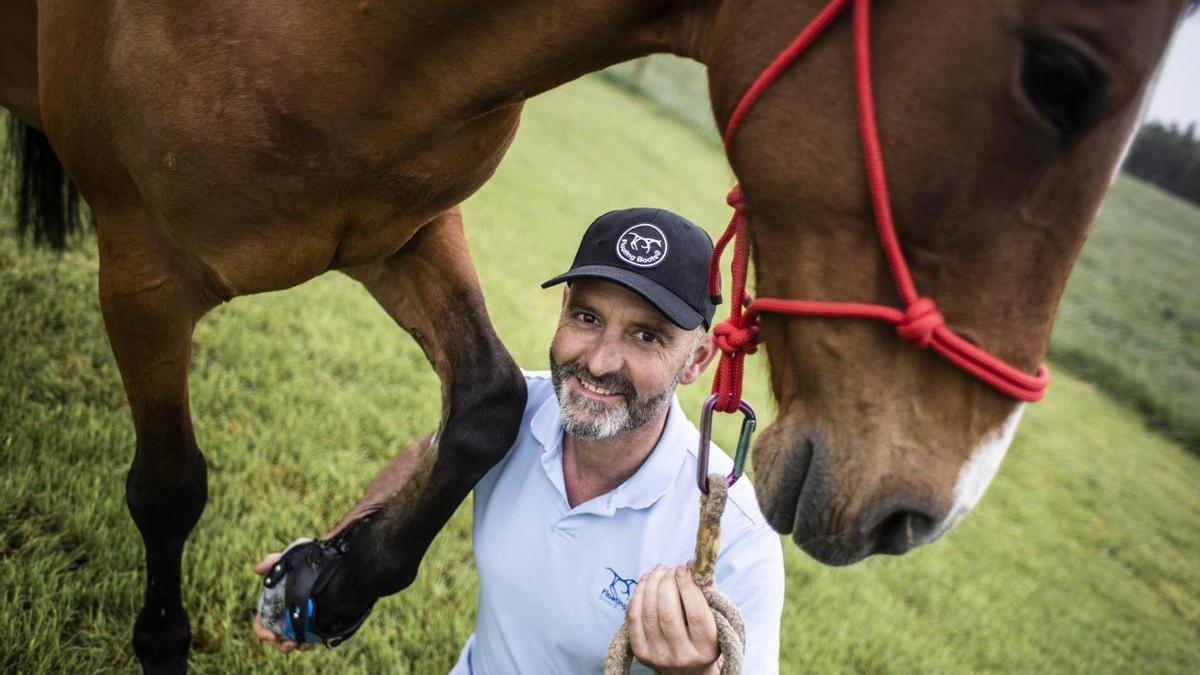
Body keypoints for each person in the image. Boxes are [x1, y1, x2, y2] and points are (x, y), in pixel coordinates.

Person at [254, 207, 785, 673]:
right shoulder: (511, 411)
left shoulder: (736, 533)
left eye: (645, 336)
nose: (598, 361)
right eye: (587, 317)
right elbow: (426, 456)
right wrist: (337, 552)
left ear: (696, 360)